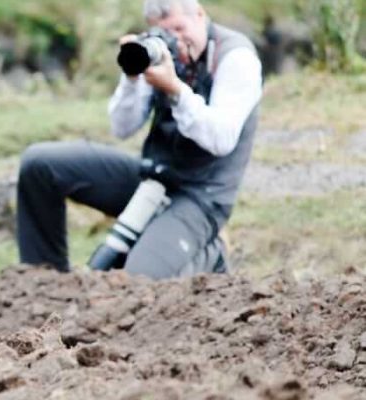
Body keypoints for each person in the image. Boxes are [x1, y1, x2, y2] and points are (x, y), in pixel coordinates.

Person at [16, 0, 263, 279]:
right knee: (39, 164)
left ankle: (209, 253)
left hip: (201, 197)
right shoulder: (159, 54)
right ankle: (41, 286)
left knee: (135, 279)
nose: (176, 40)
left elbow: (221, 138)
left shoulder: (236, 58)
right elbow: (121, 127)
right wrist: (132, 78)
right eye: (166, 33)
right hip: (152, 179)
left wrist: (175, 91)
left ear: (200, 15)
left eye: (180, 28)